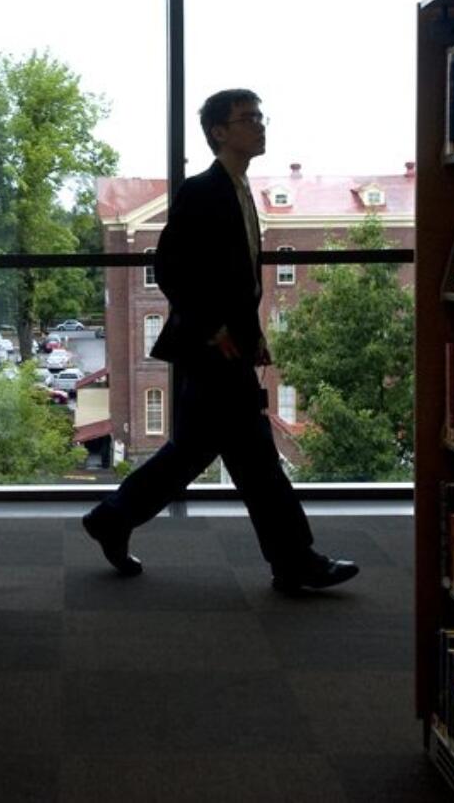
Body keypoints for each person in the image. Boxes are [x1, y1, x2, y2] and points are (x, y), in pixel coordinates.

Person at [82, 88, 359, 593]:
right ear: (219, 132)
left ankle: (114, 517)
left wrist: (251, 336)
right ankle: (295, 561)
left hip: (227, 347)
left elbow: (238, 280)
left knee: (195, 453)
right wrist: (215, 329)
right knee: (256, 460)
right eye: (246, 118)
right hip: (210, 349)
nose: (259, 125)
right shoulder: (203, 190)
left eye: (260, 116)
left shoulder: (240, 188)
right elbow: (170, 267)